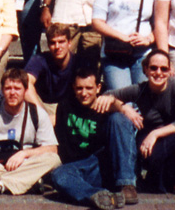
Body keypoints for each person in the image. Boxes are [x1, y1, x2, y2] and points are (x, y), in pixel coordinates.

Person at [93, 49, 175, 196]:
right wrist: (124, 108)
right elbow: (107, 95)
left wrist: (155, 134)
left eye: (164, 69)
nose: (158, 73)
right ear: (145, 69)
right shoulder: (140, 89)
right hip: (149, 145)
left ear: (170, 70)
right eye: (153, 68)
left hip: (165, 138)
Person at [49, 66, 139, 209]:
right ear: (73, 88)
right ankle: (99, 195)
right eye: (79, 88)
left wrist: (116, 104)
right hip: (80, 167)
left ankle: (127, 185)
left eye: (89, 88)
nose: (84, 93)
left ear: (98, 88)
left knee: (119, 118)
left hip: (103, 164)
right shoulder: (65, 107)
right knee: (59, 175)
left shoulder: (106, 106)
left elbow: (123, 126)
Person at [0, 69, 61, 195]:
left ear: (25, 91)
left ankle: (0, 183)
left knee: (53, 159)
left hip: (25, 163)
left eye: (17, 89)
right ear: (2, 90)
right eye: (8, 88)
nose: (12, 93)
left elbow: (52, 149)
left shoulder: (37, 114)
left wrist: (24, 154)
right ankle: (27, 182)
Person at [93, 0, 157, 91]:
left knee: (141, 102)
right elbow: (97, 21)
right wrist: (122, 37)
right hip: (115, 54)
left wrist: (148, 39)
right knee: (122, 101)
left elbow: (161, 24)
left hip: (143, 55)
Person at [24, 24, 77, 123]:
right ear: (48, 45)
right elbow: (25, 83)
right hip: (43, 106)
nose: (57, 47)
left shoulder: (77, 62)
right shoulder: (39, 60)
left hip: (68, 108)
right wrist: (43, 116)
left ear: (69, 43)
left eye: (61, 42)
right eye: (53, 43)